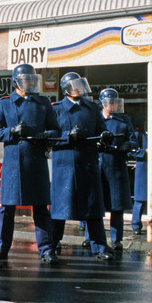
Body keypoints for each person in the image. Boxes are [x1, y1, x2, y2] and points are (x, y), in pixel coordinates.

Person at [0, 64, 58, 263]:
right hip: (13, 163)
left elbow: (56, 130)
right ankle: (1, 249)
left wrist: (47, 135)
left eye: (32, 80)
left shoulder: (44, 103)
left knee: (41, 207)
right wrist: (12, 132)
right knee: (7, 208)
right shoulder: (5, 104)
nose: (30, 83)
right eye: (26, 80)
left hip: (37, 161)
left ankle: (46, 250)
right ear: (16, 82)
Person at [50, 72, 114, 261]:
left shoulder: (92, 108)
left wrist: (105, 137)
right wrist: (67, 136)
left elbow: (102, 130)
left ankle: (100, 247)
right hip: (65, 164)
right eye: (75, 85)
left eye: (80, 84)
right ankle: (51, 246)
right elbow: (49, 136)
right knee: (59, 209)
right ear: (67, 88)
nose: (79, 88)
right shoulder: (56, 109)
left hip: (87, 162)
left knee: (93, 208)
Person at [98, 88, 138, 250]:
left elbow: (134, 140)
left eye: (115, 102)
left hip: (117, 166)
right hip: (98, 165)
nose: (113, 105)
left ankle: (116, 239)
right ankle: (91, 237)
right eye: (110, 102)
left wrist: (127, 145)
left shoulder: (124, 120)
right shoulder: (95, 119)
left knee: (117, 206)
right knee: (96, 205)